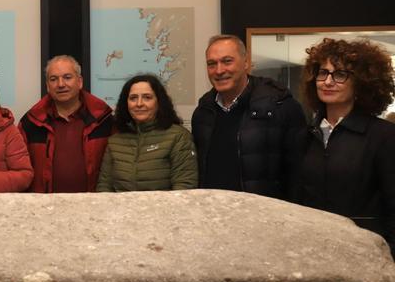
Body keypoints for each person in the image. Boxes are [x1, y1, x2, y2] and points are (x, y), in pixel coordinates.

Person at [292, 38, 395, 253]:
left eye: (339, 75)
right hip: (313, 251)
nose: (328, 82)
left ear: (361, 84)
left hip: (367, 253)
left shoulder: (383, 136)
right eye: (323, 73)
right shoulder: (305, 136)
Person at [191, 34, 306, 198]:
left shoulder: (280, 107)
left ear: (245, 63)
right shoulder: (203, 113)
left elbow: (298, 172)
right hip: (215, 215)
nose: (219, 70)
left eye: (227, 61)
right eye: (211, 64)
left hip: (265, 216)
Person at [19, 55, 114, 192]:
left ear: (80, 82)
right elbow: (20, 170)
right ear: (47, 86)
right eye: (53, 79)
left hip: (93, 206)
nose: (61, 84)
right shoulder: (31, 123)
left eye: (67, 77)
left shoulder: (103, 120)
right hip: (44, 208)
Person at [96, 75, 197, 192]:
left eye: (147, 97)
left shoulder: (178, 136)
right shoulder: (115, 141)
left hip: (164, 210)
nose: (139, 104)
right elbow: (104, 187)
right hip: (121, 210)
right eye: (133, 98)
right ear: (126, 103)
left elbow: (184, 187)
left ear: (159, 102)